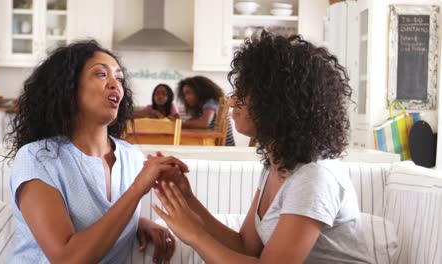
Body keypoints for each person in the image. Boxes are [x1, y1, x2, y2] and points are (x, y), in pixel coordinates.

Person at [151, 33, 372, 263]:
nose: (233, 101)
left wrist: (194, 235)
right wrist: (187, 199)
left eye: (243, 93)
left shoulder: (314, 176)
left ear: (277, 102)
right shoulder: (276, 164)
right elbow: (246, 247)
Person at [4, 40, 188, 264]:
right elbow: (66, 259)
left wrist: (137, 221)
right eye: (101, 74)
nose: (115, 84)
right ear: (68, 86)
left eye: (119, 78)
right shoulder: (37, 158)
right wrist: (137, 189)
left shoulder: (131, 157)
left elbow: (103, 215)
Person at [176, 75, 235, 146]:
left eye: (189, 93)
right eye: (184, 94)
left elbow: (203, 123)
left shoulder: (211, 102)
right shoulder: (201, 106)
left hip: (224, 149)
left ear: (200, 91)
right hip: (214, 144)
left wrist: (178, 124)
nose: (186, 98)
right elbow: (194, 121)